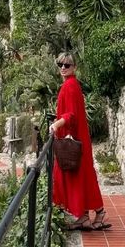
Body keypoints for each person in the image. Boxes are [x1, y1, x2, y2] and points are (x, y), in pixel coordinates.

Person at [49, 52, 110, 231]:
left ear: (74, 67)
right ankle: (84, 217)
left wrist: (56, 125)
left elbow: (71, 115)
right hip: (78, 138)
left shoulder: (70, 86)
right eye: (60, 64)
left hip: (73, 140)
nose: (63, 68)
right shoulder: (72, 85)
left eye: (67, 65)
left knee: (78, 176)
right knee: (81, 176)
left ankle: (98, 213)